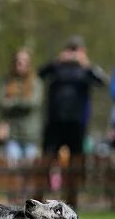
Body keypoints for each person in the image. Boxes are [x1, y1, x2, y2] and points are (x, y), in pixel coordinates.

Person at [38, 36, 108, 206]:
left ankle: (72, 201)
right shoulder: (56, 67)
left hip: (77, 124)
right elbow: (40, 73)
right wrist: (57, 61)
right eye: (71, 50)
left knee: (76, 165)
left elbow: (103, 81)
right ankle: (39, 199)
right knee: (46, 162)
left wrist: (87, 65)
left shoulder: (86, 70)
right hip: (55, 123)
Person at [0, 48, 42, 165]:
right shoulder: (7, 82)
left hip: (31, 136)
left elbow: (33, 103)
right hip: (12, 136)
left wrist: (13, 101)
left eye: (24, 61)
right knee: (13, 174)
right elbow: (2, 102)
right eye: (18, 61)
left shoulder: (36, 82)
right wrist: (21, 101)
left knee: (29, 174)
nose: (20, 64)